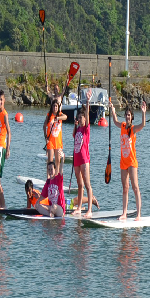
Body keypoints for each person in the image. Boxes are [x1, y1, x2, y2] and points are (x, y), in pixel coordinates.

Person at [111, 101, 146, 221]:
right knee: (125, 188)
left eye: (129, 115)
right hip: (123, 162)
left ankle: (138, 214)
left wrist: (143, 113)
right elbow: (115, 121)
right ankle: (124, 213)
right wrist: (113, 110)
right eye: (126, 114)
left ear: (132, 117)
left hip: (132, 162)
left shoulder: (133, 129)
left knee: (135, 187)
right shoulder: (122, 126)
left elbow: (142, 125)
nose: (127, 116)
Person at [72, 90, 95, 218]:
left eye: (82, 117)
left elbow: (87, 112)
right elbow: (73, 136)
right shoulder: (78, 129)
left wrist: (87, 101)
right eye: (79, 117)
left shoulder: (86, 128)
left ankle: (90, 209)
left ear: (85, 119)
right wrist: (75, 126)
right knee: (79, 184)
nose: (80, 119)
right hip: (76, 159)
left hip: (84, 159)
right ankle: (79, 208)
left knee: (87, 184)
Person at [44, 99, 67, 175]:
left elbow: (65, 117)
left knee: (57, 161)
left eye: (56, 106)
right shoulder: (49, 115)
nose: (55, 107)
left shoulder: (60, 114)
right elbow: (44, 126)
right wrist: (46, 137)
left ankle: (56, 176)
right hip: (50, 141)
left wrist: (58, 118)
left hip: (58, 142)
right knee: (50, 161)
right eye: (54, 106)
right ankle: (48, 178)